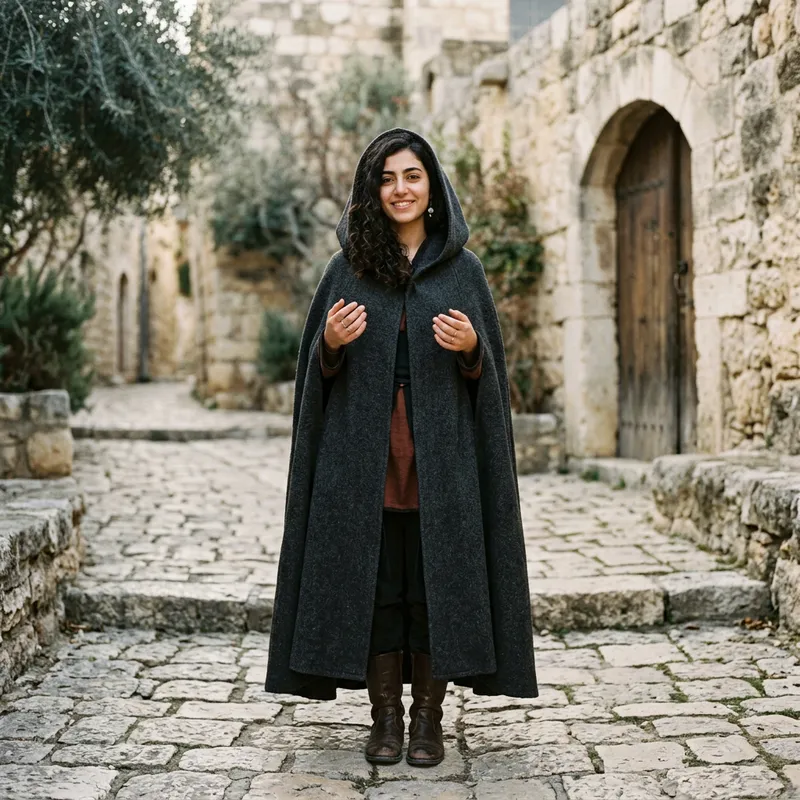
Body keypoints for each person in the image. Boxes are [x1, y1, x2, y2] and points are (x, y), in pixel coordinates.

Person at [265, 128, 538, 768]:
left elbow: (492, 381)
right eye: (387, 179)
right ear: (372, 190)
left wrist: (473, 351)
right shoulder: (347, 271)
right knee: (381, 589)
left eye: (411, 176)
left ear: (433, 188)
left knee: (434, 587)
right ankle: (384, 717)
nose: (400, 189)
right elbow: (315, 379)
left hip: (442, 464)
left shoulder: (463, 274)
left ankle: (428, 720)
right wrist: (329, 343)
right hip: (365, 464)